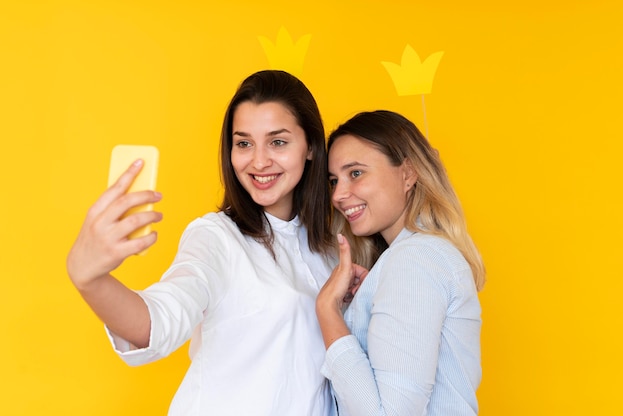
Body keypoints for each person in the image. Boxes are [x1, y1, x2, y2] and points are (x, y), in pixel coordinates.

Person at [66, 70, 339, 415]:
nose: (258, 160)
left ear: (311, 147)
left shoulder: (334, 248)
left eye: (278, 142)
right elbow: (159, 321)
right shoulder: (216, 237)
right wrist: (90, 279)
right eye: (243, 143)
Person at [316, 110, 486, 415]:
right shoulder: (413, 258)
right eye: (333, 181)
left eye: (355, 173)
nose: (339, 195)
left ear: (407, 174)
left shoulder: (416, 259)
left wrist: (328, 312)